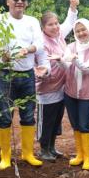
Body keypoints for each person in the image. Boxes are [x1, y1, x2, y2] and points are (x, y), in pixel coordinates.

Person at [0, 0, 44, 170]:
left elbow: (39, 43)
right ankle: (5, 156)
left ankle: (27, 153)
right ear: (8, 1)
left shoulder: (32, 22)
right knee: (5, 114)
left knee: (28, 114)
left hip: (27, 73)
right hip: (5, 73)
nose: (20, 2)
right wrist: (5, 54)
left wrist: (27, 50)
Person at [62, 19, 89, 170]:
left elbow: (88, 69)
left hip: (88, 93)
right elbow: (66, 65)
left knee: (85, 124)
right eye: (77, 31)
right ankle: (79, 154)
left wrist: (75, 59)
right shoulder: (71, 46)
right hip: (70, 92)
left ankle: (87, 158)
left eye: (83, 29)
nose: (81, 33)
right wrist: (60, 61)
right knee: (75, 124)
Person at [35, 12, 68, 162]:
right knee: (46, 120)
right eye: (50, 24)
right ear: (43, 27)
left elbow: (69, 22)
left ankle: (52, 147)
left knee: (56, 119)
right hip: (46, 88)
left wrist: (72, 8)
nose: (55, 27)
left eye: (56, 23)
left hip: (60, 87)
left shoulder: (59, 36)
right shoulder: (42, 42)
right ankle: (43, 149)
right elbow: (44, 64)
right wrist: (45, 73)